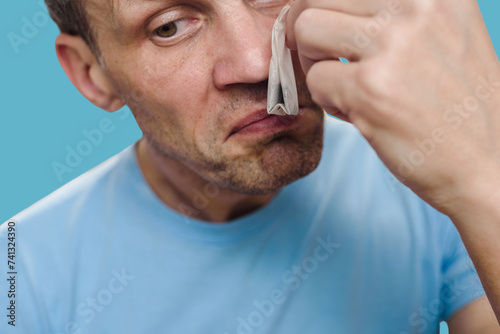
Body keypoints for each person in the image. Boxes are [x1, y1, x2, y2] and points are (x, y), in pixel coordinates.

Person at [1, 0, 499, 333]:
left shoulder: (431, 175)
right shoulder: (17, 270)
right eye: (169, 27)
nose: (257, 64)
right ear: (93, 75)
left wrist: (484, 179)